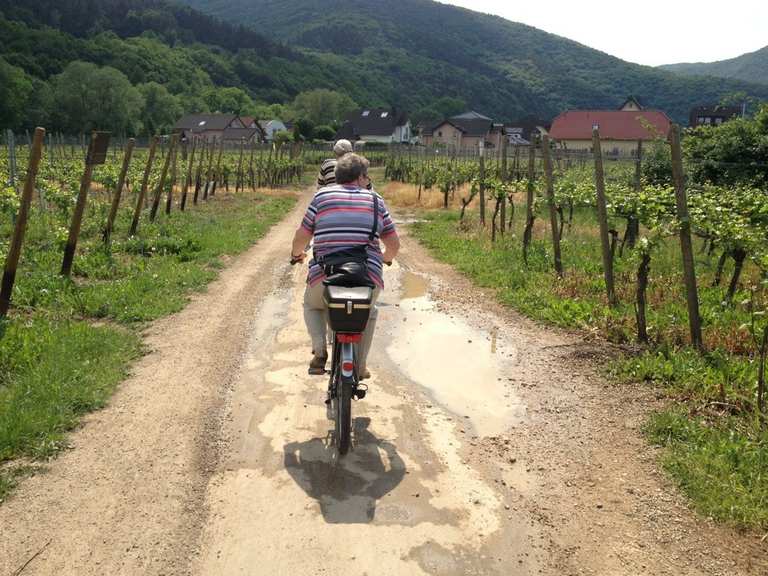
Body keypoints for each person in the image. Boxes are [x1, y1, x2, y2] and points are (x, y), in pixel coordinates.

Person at [291, 153, 400, 378]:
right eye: (366, 176)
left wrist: (296, 254)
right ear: (360, 177)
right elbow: (393, 244)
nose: (367, 180)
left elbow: (302, 234)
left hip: (325, 273)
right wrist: (385, 258)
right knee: (369, 312)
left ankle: (320, 352)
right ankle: (359, 366)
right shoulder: (375, 200)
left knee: (312, 305)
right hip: (366, 274)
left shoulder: (321, 197)